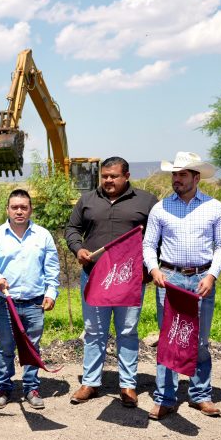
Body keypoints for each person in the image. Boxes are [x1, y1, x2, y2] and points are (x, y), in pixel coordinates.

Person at [142, 152, 221, 421]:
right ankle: (164, 397)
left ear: (196, 177)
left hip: (202, 279)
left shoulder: (215, 207)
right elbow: (148, 245)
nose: (176, 179)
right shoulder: (161, 208)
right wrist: (154, 269)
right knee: (169, 339)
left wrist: (213, 275)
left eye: (182, 174)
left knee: (200, 339)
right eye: (174, 174)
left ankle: (200, 395)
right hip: (170, 279)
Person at [65, 157, 158, 407]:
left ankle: (128, 385)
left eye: (113, 176)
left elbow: (158, 237)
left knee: (127, 332)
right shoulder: (87, 200)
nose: (108, 180)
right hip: (96, 277)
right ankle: (90, 382)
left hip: (129, 279)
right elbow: (72, 229)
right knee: (94, 331)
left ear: (126, 176)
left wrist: (149, 269)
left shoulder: (146, 201)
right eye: (104, 176)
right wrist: (78, 249)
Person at [0, 189, 60, 410]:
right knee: (6, 347)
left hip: (35, 303)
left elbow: (52, 269)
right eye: (15, 207)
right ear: (7, 209)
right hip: (7, 303)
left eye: (23, 207)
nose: (19, 211)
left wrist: (51, 293)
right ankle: (4, 388)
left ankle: (31, 388)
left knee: (32, 347)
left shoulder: (43, 235)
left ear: (30, 209)